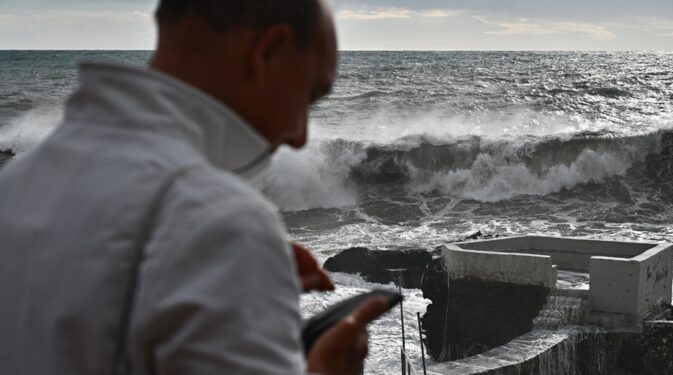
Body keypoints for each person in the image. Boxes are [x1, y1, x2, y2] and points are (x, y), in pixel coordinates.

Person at [0, 0, 388, 374]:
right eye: (308, 96)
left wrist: (225, 265)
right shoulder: (218, 220)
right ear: (268, 50)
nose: (299, 136)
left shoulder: (17, 184)